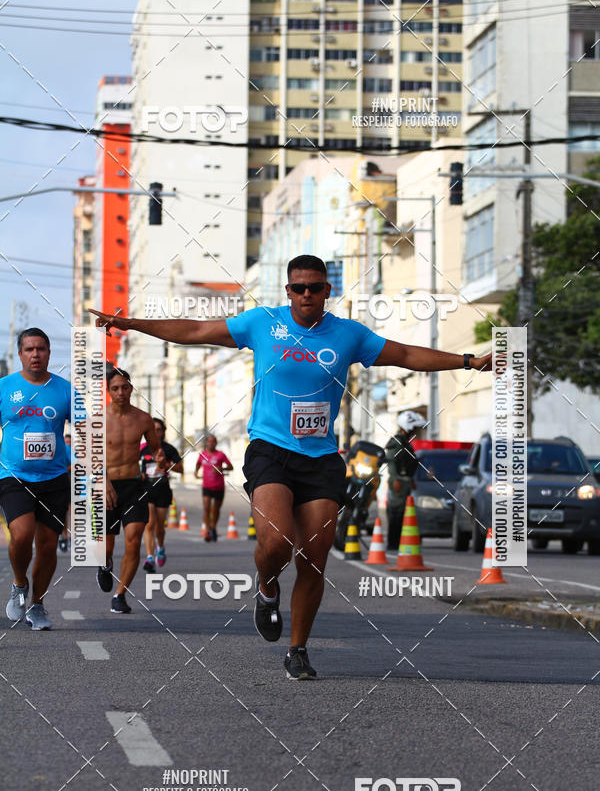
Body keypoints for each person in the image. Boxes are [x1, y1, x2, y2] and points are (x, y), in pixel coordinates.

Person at [91, 254, 492, 678]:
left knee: (314, 558)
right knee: (277, 543)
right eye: (298, 287)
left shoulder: (348, 335)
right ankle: (266, 589)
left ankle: (297, 649)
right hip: (270, 451)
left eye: (314, 288)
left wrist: (467, 361)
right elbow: (193, 331)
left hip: (320, 458)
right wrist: (132, 324)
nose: (306, 294)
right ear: (287, 291)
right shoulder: (261, 323)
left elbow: (407, 353)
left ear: (326, 291)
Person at [0, 328, 71, 631]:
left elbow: (87, 432)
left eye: (41, 349)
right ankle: (19, 583)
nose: (35, 354)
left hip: (55, 476)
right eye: (29, 349)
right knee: (22, 534)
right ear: (20, 354)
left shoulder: (66, 390)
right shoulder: (4, 388)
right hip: (14, 475)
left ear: (49, 353)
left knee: (47, 545)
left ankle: (38, 605)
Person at [98, 368, 162, 613]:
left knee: (134, 540)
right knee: (106, 547)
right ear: (108, 391)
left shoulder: (144, 418)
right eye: (115, 388)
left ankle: (120, 594)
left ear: (131, 388)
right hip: (106, 486)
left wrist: (161, 459)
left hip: (134, 486)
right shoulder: (98, 420)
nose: (121, 392)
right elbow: (89, 457)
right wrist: (103, 483)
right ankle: (104, 565)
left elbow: (156, 450)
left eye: (125, 387)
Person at [140, 417, 183, 572]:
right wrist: (140, 475)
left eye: (159, 430)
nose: (156, 433)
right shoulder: (142, 449)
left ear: (163, 432)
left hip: (163, 490)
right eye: (153, 430)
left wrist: (167, 465)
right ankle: (150, 557)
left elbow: (180, 468)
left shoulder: (169, 449)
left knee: (159, 527)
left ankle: (161, 546)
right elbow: (133, 467)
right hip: (146, 489)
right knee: (149, 524)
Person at [385, 411, 426, 552]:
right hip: (399, 481)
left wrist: (411, 479)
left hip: (406, 481)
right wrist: (396, 478)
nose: (415, 431)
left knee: (405, 512)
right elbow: (391, 462)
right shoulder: (396, 442)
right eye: (413, 428)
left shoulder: (405, 442)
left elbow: (409, 463)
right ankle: (393, 544)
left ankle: (403, 541)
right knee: (396, 512)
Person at [194, 434, 233, 541]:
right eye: (209, 441)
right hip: (206, 486)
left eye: (213, 441)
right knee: (206, 508)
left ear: (216, 443)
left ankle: (213, 527)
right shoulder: (202, 454)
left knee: (216, 509)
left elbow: (231, 467)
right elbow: (198, 464)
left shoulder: (221, 455)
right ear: (206, 443)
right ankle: (207, 530)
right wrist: (196, 471)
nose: (211, 444)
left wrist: (221, 468)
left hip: (219, 486)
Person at [58, 432, 72, 553]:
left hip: (68, 481)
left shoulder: (66, 449)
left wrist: (62, 469)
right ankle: (63, 537)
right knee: (61, 512)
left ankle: (71, 537)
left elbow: (75, 463)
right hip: (51, 483)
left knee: (71, 510)